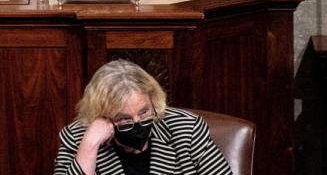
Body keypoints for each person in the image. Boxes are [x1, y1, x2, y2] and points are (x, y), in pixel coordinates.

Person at [53, 60, 231, 175]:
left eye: (144, 112)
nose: (138, 124)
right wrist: (89, 147)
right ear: (102, 116)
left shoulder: (186, 129)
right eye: (124, 119)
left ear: (154, 101)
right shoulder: (78, 138)